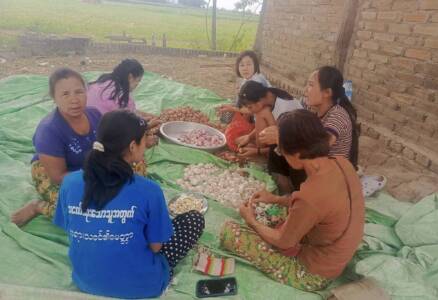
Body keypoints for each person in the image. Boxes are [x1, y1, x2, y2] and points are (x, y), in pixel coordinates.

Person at [53, 110, 205, 299]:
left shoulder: (69, 183)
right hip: (143, 286)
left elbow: (69, 228)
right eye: (145, 139)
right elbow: (156, 247)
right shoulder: (149, 190)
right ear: (133, 146)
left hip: (86, 281)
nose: (147, 144)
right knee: (193, 219)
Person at [220, 110, 365, 292]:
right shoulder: (341, 163)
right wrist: (275, 199)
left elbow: (284, 241)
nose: (282, 155)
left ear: (295, 154)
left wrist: (251, 220)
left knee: (230, 231)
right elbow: (319, 207)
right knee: (275, 212)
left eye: (281, 150)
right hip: (338, 254)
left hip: (315, 273)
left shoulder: (310, 196)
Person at [10, 68, 102, 226]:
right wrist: (97, 176)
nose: (74, 100)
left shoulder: (94, 114)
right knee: (84, 215)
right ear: (54, 98)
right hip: (54, 174)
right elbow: (58, 177)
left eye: (79, 92)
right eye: (65, 94)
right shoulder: (49, 130)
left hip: (87, 168)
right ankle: (38, 207)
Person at [261, 66, 359, 192]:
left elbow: (317, 150)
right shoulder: (311, 108)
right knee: (277, 148)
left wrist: (282, 137)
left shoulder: (337, 116)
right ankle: (286, 190)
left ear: (327, 93)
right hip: (315, 163)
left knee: (293, 152)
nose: (306, 90)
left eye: (311, 85)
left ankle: (296, 197)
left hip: (329, 174)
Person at [216, 50, 271, 152]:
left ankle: (254, 147)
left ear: (255, 65)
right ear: (238, 67)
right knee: (232, 125)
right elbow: (244, 104)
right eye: (242, 65)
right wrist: (234, 109)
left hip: (263, 121)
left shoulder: (257, 82)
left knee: (231, 136)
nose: (245, 68)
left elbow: (253, 109)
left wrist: (233, 108)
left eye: (249, 64)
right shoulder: (247, 79)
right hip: (256, 116)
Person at [236, 80, 303, 157]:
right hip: (283, 135)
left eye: (250, 107)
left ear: (259, 102)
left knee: (261, 113)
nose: (250, 111)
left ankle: (263, 151)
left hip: (296, 145)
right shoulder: (269, 95)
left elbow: (286, 143)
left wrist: (258, 151)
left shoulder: (283, 110)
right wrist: (249, 137)